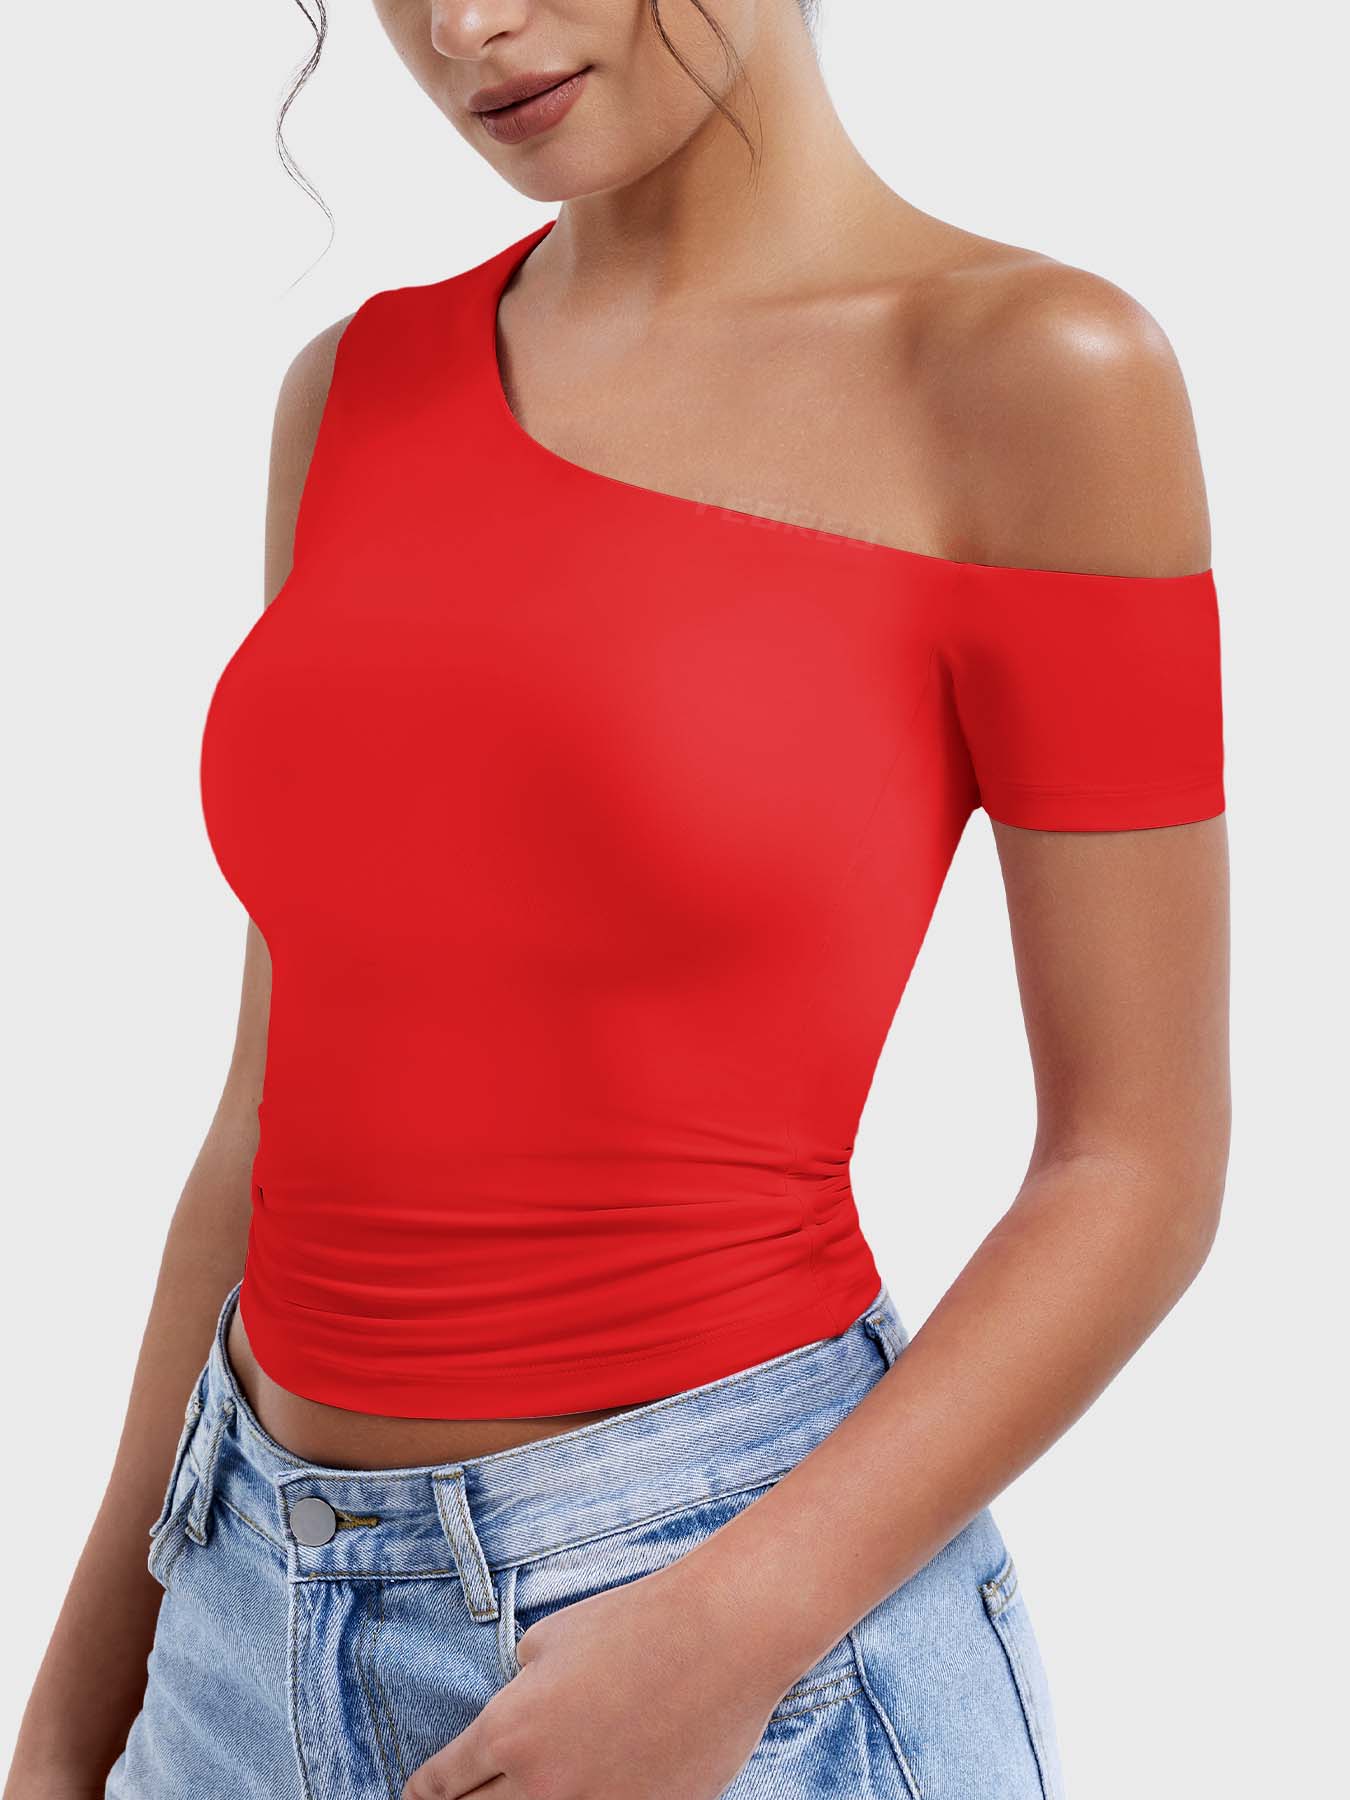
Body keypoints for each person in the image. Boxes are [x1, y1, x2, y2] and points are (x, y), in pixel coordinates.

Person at [5, 2, 1230, 1797]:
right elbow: (267, 1109)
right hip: (233, 1610)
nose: (464, 26)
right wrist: (75, 1710)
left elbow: (1136, 1165)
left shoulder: (1032, 372)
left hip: (710, 1635)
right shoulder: (354, 389)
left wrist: (730, 1629)